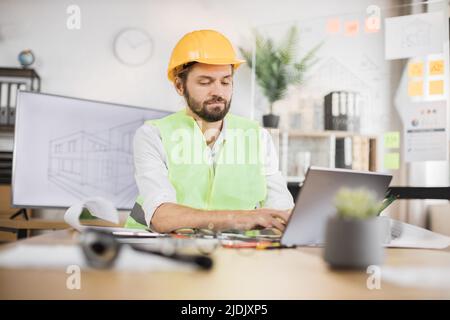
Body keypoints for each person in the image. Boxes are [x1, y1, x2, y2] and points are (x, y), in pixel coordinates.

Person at [125, 30, 294, 233]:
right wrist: (241, 218)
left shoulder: (257, 137)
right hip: (160, 253)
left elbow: (282, 210)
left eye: (225, 81)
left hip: (238, 254)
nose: (218, 92)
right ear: (180, 86)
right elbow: (162, 217)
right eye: (205, 82)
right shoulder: (154, 135)